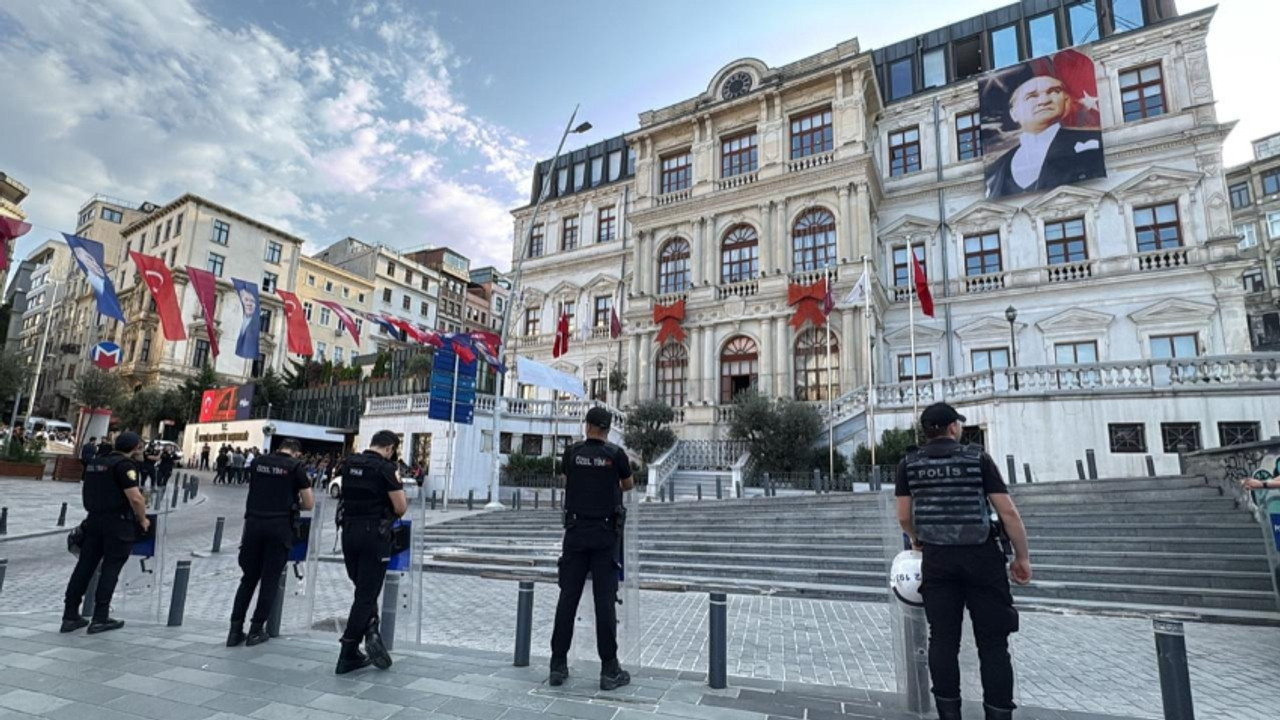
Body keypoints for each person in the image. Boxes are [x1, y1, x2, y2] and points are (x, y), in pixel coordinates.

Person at [895, 403, 1032, 720]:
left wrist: (916, 539)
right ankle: (998, 712)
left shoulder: (909, 464)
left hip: (938, 558)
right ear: (953, 427)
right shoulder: (977, 458)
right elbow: (1008, 512)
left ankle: (949, 713)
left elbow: (903, 516)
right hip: (982, 556)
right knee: (993, 643)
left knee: (942, 639)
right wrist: (1022, 556)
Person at [549, 407, 634, 691]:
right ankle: (609, 668)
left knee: (567, 598)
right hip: (604, 535)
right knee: (604, 602)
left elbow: (568, 479)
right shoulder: (616, 455)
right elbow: (628, 485)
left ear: (587, 426)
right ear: (607, 429)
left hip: (575, 533)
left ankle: (557, 664)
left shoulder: (572, 453)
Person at [227, 438, 314, 647]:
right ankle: (256, 629)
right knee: (270, 580)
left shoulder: (258, 462)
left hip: (253, 525)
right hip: (279, 526)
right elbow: (309, 503)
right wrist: (293, 504)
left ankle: (234, 630)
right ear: (296, 453)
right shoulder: (296, 467)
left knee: (248, 578)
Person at [61, 432, 150, 635]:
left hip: (93, 521)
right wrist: (143, 519)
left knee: (84, 567)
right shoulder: (125, 466)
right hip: (118, 524)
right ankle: (100, 618)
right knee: (111, 568)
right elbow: (135, 498)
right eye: (141, 447)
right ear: (136, 447)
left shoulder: (96, 462)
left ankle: (70, 615)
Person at [334, 430, 407, 674]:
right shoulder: (385, 468)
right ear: (390, 448)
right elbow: (400, 507)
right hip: (374, 535)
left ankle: (371, 628)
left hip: (348, 533)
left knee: (362, 589)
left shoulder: (349, 463)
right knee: (366, 595)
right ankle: (348, 651)